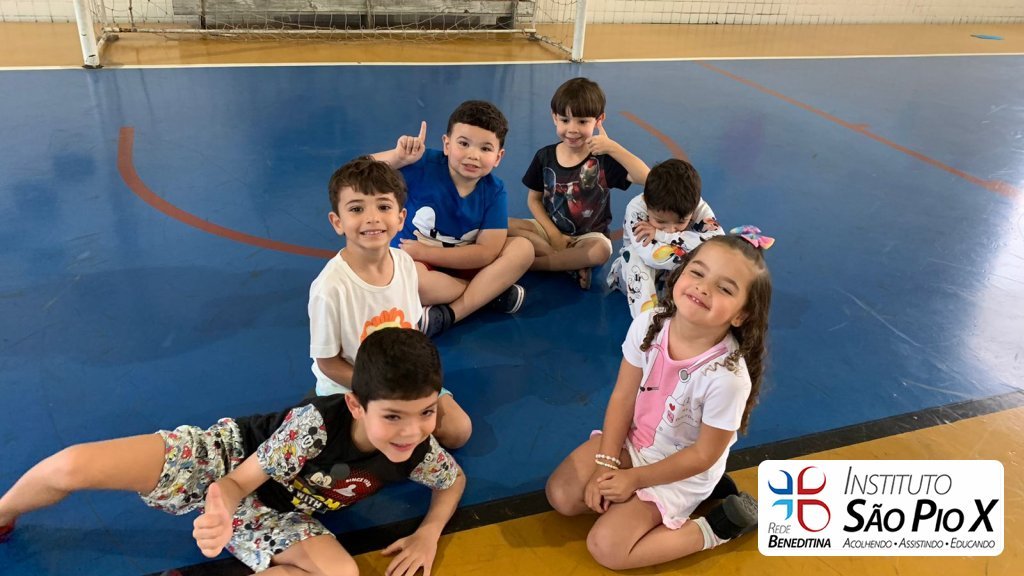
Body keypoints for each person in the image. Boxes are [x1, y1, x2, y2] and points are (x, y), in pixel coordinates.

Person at [0, 328, 465, 576]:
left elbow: (453, 480)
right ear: (356, 405)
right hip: (227, 460)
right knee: (73, 466)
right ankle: (4, 511)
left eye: (426, 412)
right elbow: (238, 481)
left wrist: (428, 533)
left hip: (278, 513)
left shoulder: (419, 449)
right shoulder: (315, 428)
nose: (411, 431)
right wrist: (221, 509)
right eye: (393, 416)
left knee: (341, 573)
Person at [545, 228, 774, 570]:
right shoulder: (649, 323)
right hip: (635, 444)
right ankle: (654, 500)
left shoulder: (728, 379)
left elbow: (703, 455)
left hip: (682, 471)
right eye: (698, 272)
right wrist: (607, 463)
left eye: (725, 288)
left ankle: (717, 527)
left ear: (741, 315)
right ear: (679, 274)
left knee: (607, 548)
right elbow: (623, 397)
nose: (703, 288)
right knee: (562, 496)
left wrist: (634, 480)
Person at [309, 156, 471, 449]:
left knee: (459, 431)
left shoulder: (405, 264)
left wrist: (414, 384)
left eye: (383, 207)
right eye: (357, 209)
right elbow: (328, 363)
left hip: (401, 379)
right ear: (337, 222)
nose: (372, 218)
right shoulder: (330, 288)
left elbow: (411, 332)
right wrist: (381, 390)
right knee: (376, 440)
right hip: (350, 385)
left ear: (401, 218)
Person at [373, 101, 534, 337]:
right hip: (419, 265)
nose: (473, 155)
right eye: (464, 144)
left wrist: (426, 252)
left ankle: (451, 314)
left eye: (485, 148)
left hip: (462, 260)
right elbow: (357, 172)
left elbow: (486, 252)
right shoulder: (421, 164)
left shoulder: (495, 190)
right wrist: (397, 158)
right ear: (447, 145)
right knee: (413, 283)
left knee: (523, 249)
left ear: (498, 157)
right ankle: (489, 294)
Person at [509, 77, 650, 290]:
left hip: (589, 237)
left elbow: (646, 177)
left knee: (600, 252)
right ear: (554, 117)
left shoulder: (603, 159)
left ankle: (533, 264)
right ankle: (569, 264)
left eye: (582, 122)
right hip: (549, 230)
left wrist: (612, 147)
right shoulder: (544, 156)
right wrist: (554, 235)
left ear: (599, 120)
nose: (572, 129)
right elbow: (534, 200)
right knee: (501, 225)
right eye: (565, 120)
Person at [607, 158, 724, 317]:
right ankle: (648, 324)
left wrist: (659, 234)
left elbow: (718, 240)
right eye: (661, 222)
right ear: (647, 203)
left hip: (672, 281)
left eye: (680, 222)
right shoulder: (637, 209)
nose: (670, 230)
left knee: (714, 258)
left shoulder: (694, 205)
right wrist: (693, 248)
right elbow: (652, 257)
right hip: (632, 279)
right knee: (633, 255)